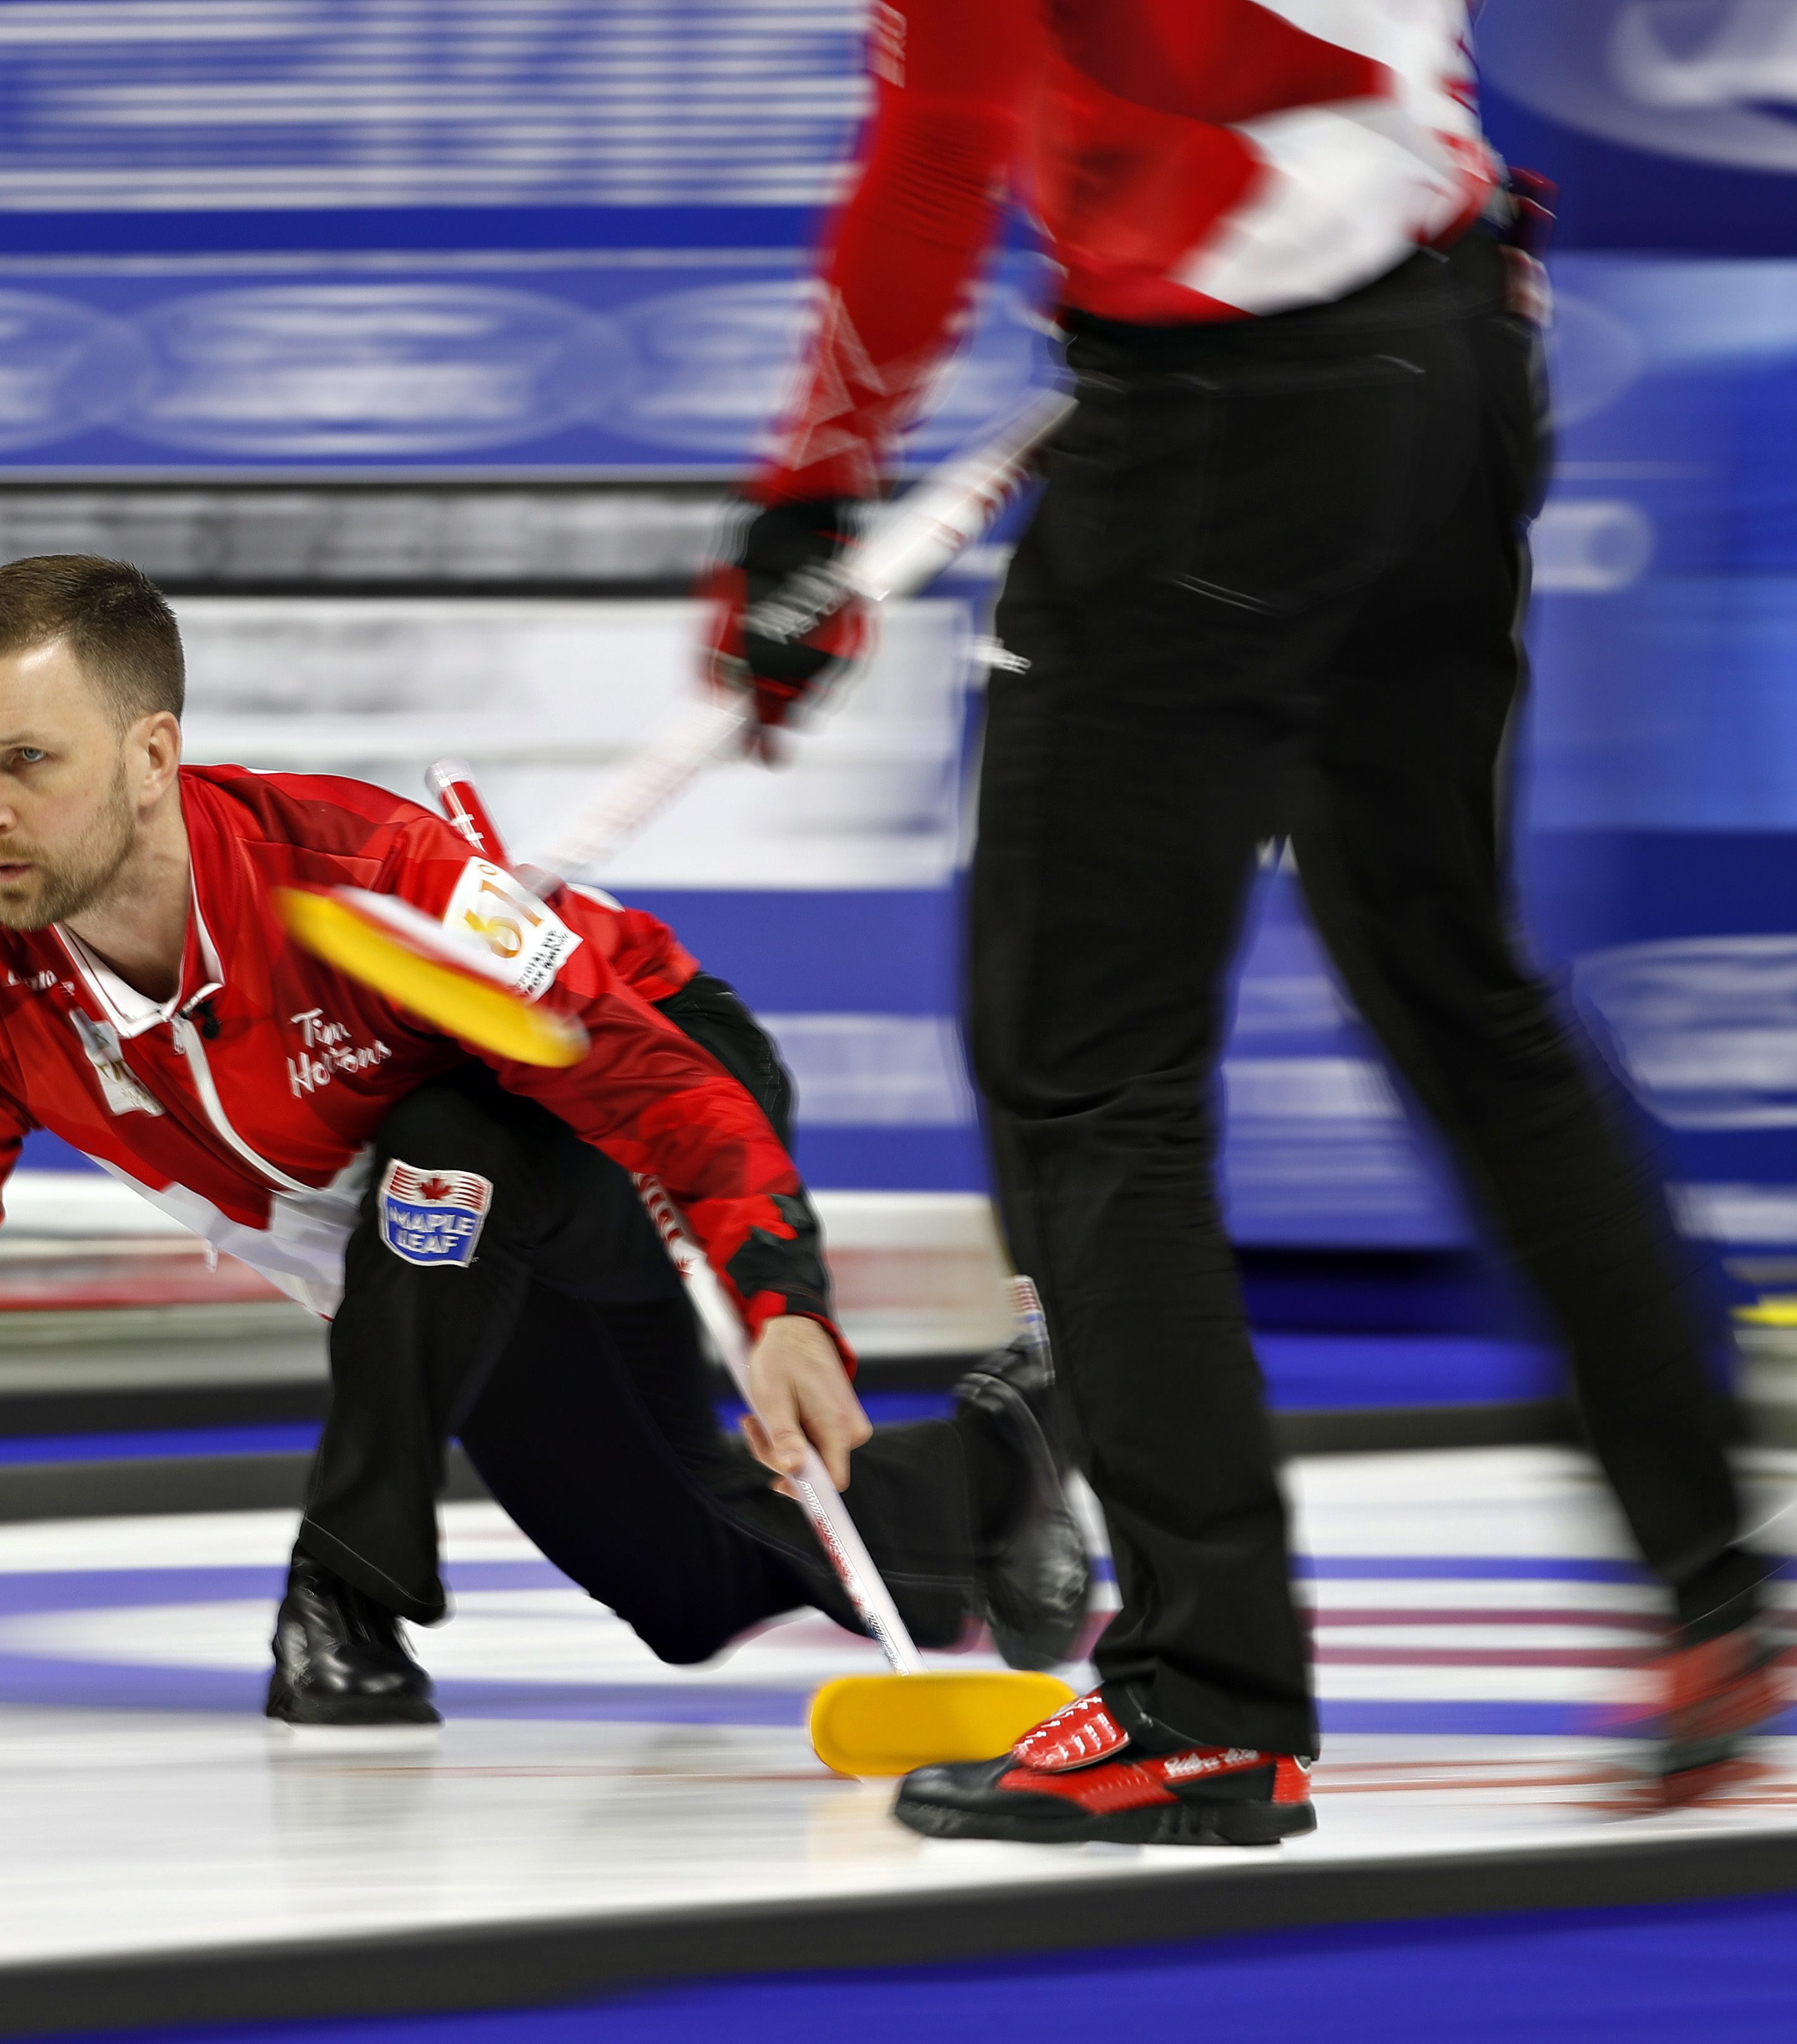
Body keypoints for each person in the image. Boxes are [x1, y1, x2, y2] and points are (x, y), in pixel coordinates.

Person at [710, 0, 1781, 1843]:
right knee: (1463, 993)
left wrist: (809, 491)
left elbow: (940, 144)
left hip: (1224, 424)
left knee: (1085, 1065)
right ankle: (1713, 1592)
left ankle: (1208, 1703)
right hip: (1447, 345)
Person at [0, 554, 1088, 1729]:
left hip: (634, 1094)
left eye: (29, 760)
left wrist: (786, 1301)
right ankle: (998, 1465)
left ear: (153, 753)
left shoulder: (367, 881)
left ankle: (343, 1590)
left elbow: (653, 1080)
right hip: (438, 1258)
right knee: (688, 1581)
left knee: (439, 1145)